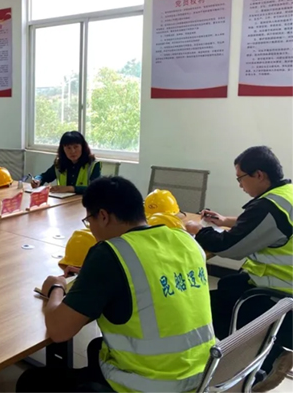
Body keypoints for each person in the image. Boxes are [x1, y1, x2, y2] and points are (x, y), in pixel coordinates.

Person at [18, 177, 214, 392]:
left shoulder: (110, 254)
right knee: (96, 347)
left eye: (89, 220)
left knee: (31, 381)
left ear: (103, 216)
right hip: (204, 374)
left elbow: (59, 331)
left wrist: (56, 288)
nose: (91, 228)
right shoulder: (185, 239)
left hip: (153, 385)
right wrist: (92, 276)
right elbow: (153, 270)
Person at [185, 146, 292, 390]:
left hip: (278, 296)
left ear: (259, 175)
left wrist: (199, 230)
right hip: (280, 288)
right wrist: (225, 221)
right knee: (227, 285)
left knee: (204, 309)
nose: (240, 185)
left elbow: (230, 247)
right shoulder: (286, 195)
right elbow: (262, 225)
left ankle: (265, 363)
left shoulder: (269, 207)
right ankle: (271, 353)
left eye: (240, 178)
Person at [31, 131, 101, 194]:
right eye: (68, 148)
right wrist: (38, 180)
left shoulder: (93, 164)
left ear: (82, 147)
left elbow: (97, 189)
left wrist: (70, 188)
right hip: (64, 201)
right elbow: (44, 176)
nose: (72, 151)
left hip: (85, 201)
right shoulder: (60, 163)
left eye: (76, 147)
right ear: (63, 149)